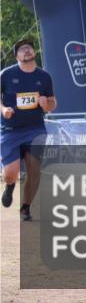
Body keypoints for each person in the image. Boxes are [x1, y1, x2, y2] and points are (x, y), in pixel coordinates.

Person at [1, 39, 57, 221]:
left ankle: (25, 208)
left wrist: (46, 103)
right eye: (21, 49)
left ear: (34, 53)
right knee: (11, 173)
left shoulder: (44, 76)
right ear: (16, 56)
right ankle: (9, 186)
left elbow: (52, 103)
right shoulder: (6, 75)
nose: (26, 51)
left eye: (29, 48)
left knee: (35, 171)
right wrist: (3, 109)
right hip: (11, 130)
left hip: (35, 129)